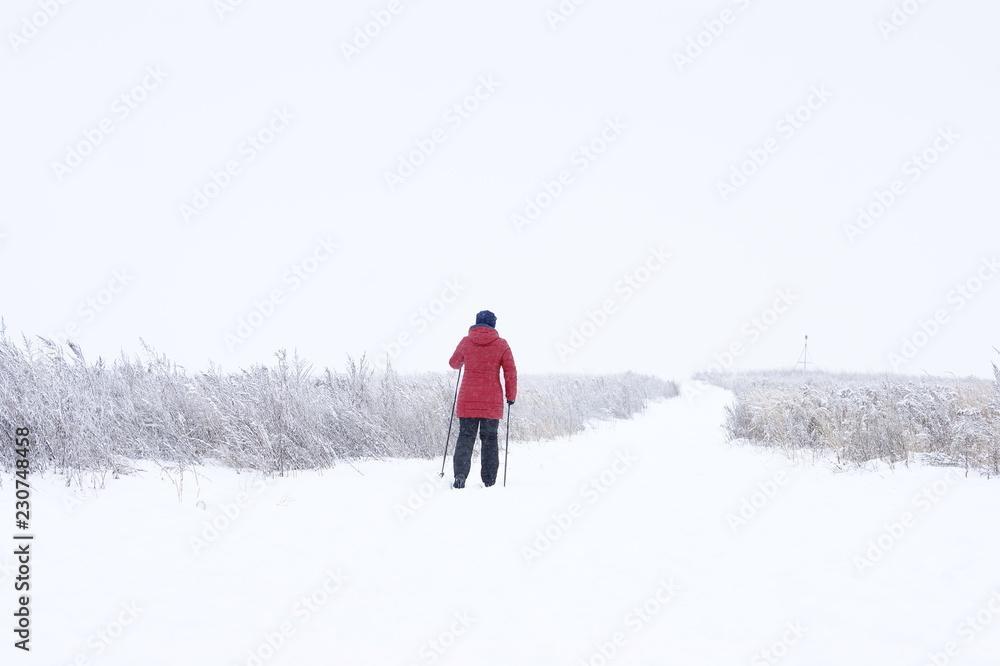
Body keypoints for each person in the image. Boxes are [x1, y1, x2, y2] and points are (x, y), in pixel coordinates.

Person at [448, 310, 517, 489]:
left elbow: (454, 363)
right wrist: (511, 396)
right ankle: (489, 481)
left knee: (466, 437)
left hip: (468, 399)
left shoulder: (466, 341)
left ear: (477, 322)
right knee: (490, 439)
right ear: (493, 325)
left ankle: (460, 476)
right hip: (491, 402)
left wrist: (467, 358)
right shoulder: (501, 344)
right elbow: (510, 372)